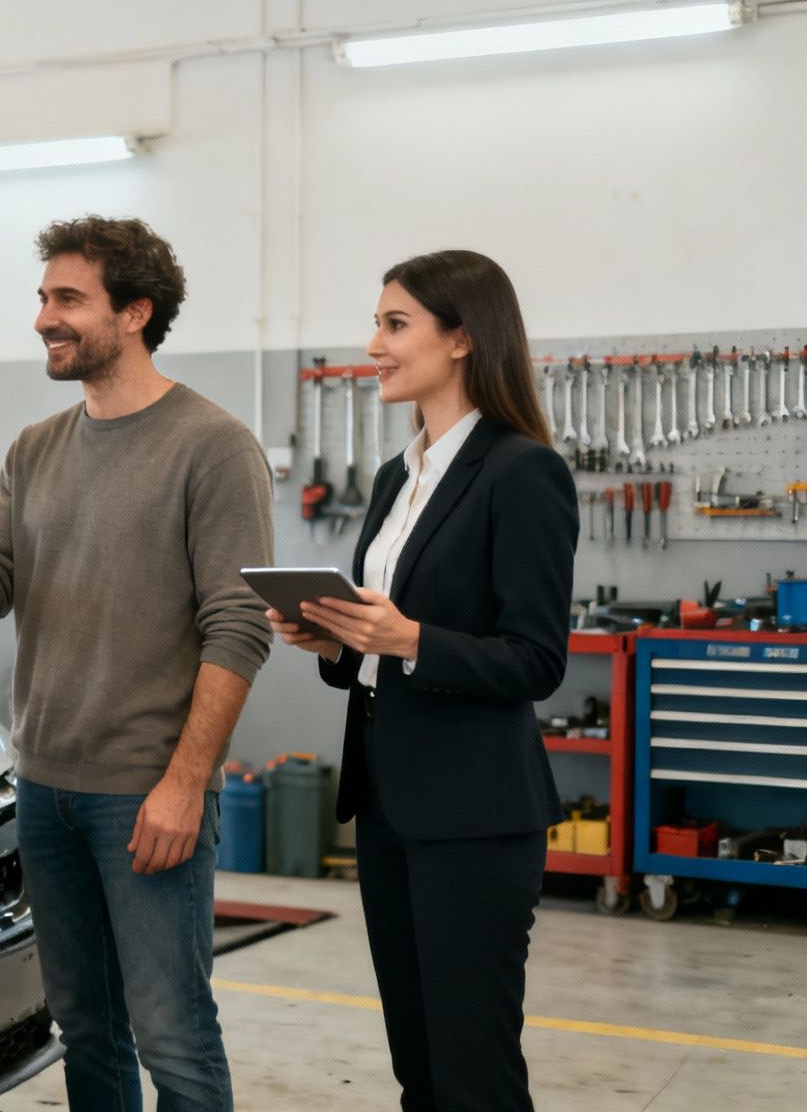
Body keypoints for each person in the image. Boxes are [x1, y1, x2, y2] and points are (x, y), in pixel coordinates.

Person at [0, 216, 273, 1112]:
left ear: (135, 311)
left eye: (67, 299)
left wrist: (185, 783)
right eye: (44, 298)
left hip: (145, 793)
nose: (45, 317)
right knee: (84, 1026)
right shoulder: (37, 447)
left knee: (172, 1031)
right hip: (43, 787)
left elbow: (240, 626)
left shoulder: (213, 446)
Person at [267, 249, 576, 1111]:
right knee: (419, 1068)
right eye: (377, 323)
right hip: (388, 806)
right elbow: (385, 649)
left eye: (394, 324)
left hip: (476, 815)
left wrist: (408, 637)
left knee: (473, 1069)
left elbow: (536, 661)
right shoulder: (402, 477)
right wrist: (332, 639)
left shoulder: (523, 473)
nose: (373, 344)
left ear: (464, 339)